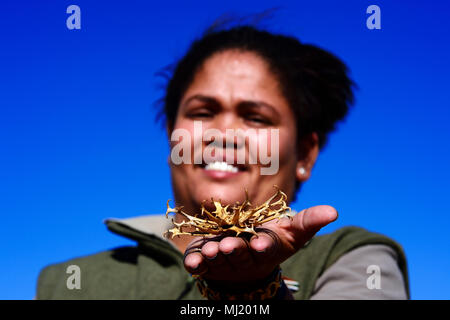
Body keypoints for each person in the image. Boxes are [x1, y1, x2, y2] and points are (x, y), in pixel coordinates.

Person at [36, 23, 409, 300]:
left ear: (305, 155)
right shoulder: (69, 281)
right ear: (171, 134)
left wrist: (252, 293)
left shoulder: (353, 257)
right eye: (202, 112)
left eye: (257, 117)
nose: (224, 133)